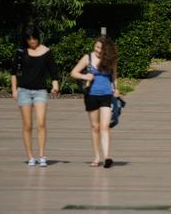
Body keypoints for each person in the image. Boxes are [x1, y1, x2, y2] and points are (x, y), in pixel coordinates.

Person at [10, 25, 60, 167]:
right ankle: (30, 157)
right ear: (25, 39)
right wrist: (14, 90)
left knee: (41, 122)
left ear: (38, 37)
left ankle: (42, 155)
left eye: (34, 38)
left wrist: (55, 85)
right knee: (27, 125)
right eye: (29, 39)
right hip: (23, 91)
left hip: (40, 91)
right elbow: (13, 72)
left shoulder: (46, 52)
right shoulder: (20, 52)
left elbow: (53, 72)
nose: (32, 41)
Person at [70, 36, 120, 168]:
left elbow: (114, 76)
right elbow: (73, 72)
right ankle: (97, 157)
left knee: (105, 126)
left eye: (100, 48)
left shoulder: (111, 60)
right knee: (95, 127)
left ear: (106, 50)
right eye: (96, 47)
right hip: (91, 95)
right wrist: (84, 76)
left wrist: (116, 89)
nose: (97, 50)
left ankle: (107, 157)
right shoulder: (88, 58)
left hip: (106, 95)